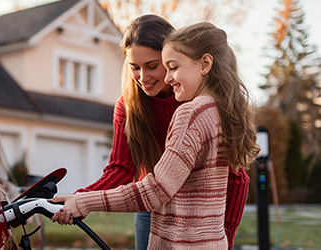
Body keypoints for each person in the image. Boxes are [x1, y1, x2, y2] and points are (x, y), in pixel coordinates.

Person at [52, 22, 260, 249]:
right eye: (134, 67)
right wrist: (79, 201)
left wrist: (226, 240)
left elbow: (234, 177)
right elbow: (121, 169)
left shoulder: (191, 109)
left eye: (154, 66)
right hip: (158, 211)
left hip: (184, 221)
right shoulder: (130, 106)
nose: (143, 77)